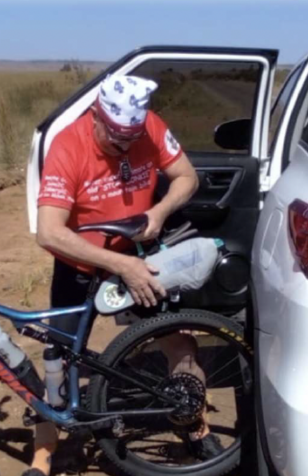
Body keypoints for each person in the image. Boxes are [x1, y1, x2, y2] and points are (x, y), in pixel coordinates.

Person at [27, 74, 222, 476]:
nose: (125, 148)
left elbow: (187, 177)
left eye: (132, 140)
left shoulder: (150, 127)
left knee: (179, 343)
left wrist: (159, 212)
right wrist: (120, 266)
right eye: (116, 140)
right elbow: (48, 232)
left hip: (137, 253)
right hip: (80, 263)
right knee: (57, 358)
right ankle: (43, 453)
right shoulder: (68, 145)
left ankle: (195, 426)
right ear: (96, 116)